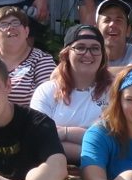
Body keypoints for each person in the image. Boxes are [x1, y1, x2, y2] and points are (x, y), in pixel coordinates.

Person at [31, 24, 112, 162]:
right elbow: (38, 137)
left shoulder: (114, 92)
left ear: (103, 55)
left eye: (95, 48)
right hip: (53, 165)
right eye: (80, 47)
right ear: (66, 54)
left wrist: (64, 133)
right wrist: (92, 152)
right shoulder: (47, 91)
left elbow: (111, 141)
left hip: (104, 168)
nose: (88, 54)